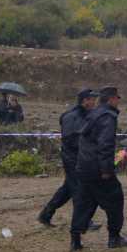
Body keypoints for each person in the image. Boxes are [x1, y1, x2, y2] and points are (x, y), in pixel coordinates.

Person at [70, 86, 127, 252]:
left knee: (84, 203)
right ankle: (114, 237)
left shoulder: (92, 114)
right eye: (117, 98)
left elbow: (85, 142)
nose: (118, 101)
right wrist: (106, 169)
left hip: (84, 167)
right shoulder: (108, 117)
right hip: (98, 169)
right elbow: (105, 144)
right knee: (115, 199)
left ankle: (75, 241)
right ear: (111, 99)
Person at [38, 88, 101, 231]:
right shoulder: (71, 117)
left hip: (80, 158)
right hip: (72, 158)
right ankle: (84, 221)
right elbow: (69, 140)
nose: (94, 102)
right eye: (92, 99)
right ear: (85, 100)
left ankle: (46, 215)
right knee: (80, 189)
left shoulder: (86, 115)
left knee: (67, 190)